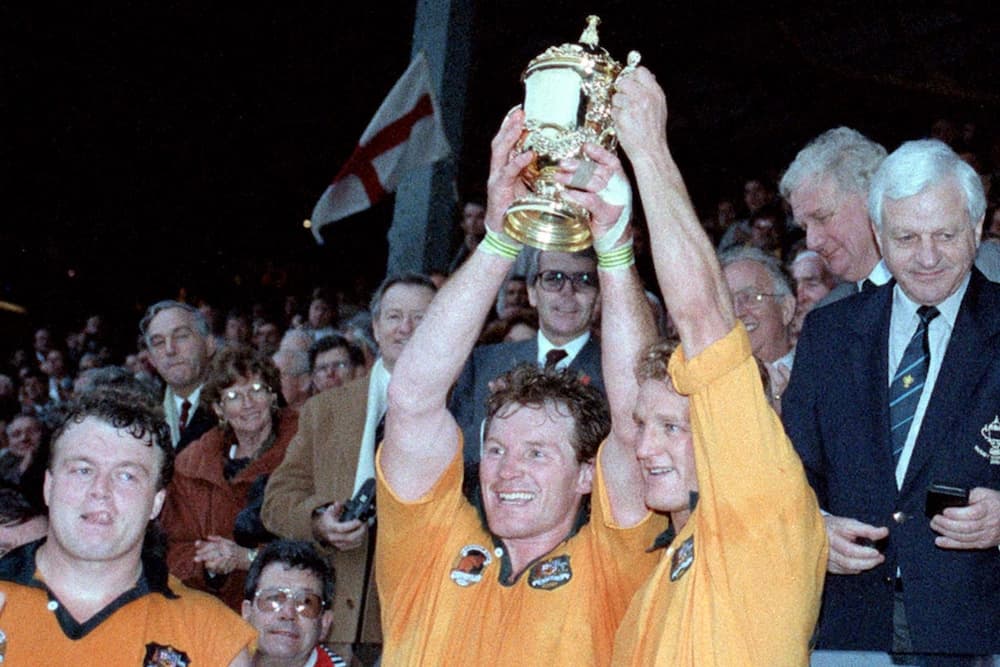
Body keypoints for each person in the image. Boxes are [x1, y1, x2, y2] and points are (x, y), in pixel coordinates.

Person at [377, 106, 663, 665]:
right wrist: (498, 241)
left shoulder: (612, 564)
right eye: (498, 448)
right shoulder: (431, 549)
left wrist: (613, 250)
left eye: (537, 452)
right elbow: (411, 399)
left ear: (588, 475)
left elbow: (636, 424)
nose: (507, 470)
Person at [598, 66, 826, 666]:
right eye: (649, 427)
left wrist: (648, 148)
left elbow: (702, 320)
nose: (645, 447)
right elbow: (628, 411)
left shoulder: (762, 507)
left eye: (673, 428)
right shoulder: (660, 572)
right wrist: (613, 247)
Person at [783, 138, 1000, 657]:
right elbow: (788, 471)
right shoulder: (829, 335)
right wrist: (813, 526)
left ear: (976, 229)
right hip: (850, 626)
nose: (926, 257)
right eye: (906, 237)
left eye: (944, 235)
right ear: (879, 235)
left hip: (979, 630)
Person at [0, 382, 254, 664]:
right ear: (49, 485)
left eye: (126, 476)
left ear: (156, 503)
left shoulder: (212, 637)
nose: (100, 489)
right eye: (83, 470)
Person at [262, 274, 437, 665]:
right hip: (336, 624)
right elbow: (276, 501)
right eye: (394, 316)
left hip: (418, 623)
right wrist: (319, 521)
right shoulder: (327, 409)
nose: (406, 328)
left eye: (420, 317)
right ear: (375, 326)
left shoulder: (465, 406)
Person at [160, 346, 298, 611]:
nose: (247, 404)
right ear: (219, 409)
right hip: (211, 614)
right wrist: (211, 566)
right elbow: (174, 548)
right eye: (233, 396)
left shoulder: (303, 450)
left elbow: (313, 540)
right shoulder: (191, 464)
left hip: (285, 609)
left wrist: (248, 558)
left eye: (256, 390)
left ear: (272, 396)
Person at [451, 246, 606, 463]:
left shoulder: (614, 373)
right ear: (532, 293)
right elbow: (454, 453)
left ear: (598, 296)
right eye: (554, 278)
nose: (567, 292)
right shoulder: (484, 363)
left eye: (583, 280)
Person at [242, 540, 346, 667]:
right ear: (247, 612)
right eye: (274, 598)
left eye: (306, 602)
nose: (288, 613)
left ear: (324, 623)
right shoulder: (218, 655)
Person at [140, 300, 218, 451]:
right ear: (151, 359)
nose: (170, 349)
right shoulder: (144, 419)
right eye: (159, 343)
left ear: (209, 345)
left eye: (181, 336)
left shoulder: (241, 407)